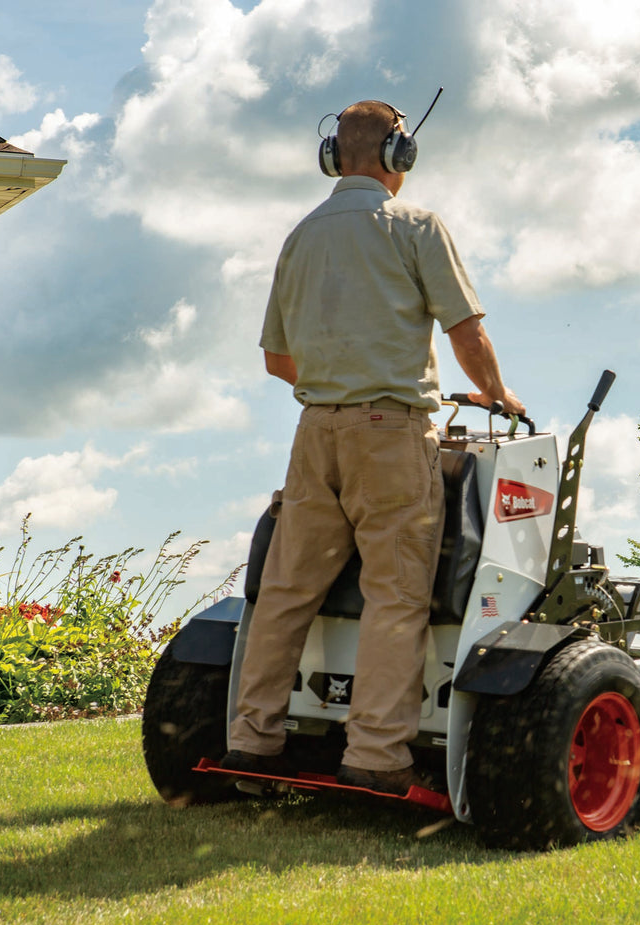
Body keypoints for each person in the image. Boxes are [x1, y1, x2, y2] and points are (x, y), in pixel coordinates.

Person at [221, 99, 524, 795]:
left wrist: (337, 383)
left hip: (314, 431)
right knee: (396, 595)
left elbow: (276, 360)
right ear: (398, 155)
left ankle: (252, 743)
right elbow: (466, 331)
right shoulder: (416, 226)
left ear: (333, 157)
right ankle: (377, 755)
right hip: (391, 433)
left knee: (286, 592)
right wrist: (498, 394)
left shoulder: (301, 235)